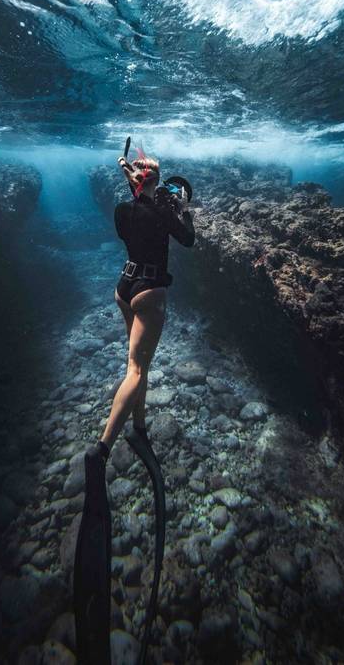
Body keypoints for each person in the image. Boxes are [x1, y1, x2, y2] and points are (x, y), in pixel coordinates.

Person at [90, 151, 195, 462]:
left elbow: (139, 209)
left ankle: (138, 427)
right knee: (136, 370)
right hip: (149, 292)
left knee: (137, 364)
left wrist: (136, 180)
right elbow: (188, 239)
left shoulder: (122, 210)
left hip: (124, 288)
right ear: (156, 182)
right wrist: (184, 211)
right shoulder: (163, 214)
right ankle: (101, 451)